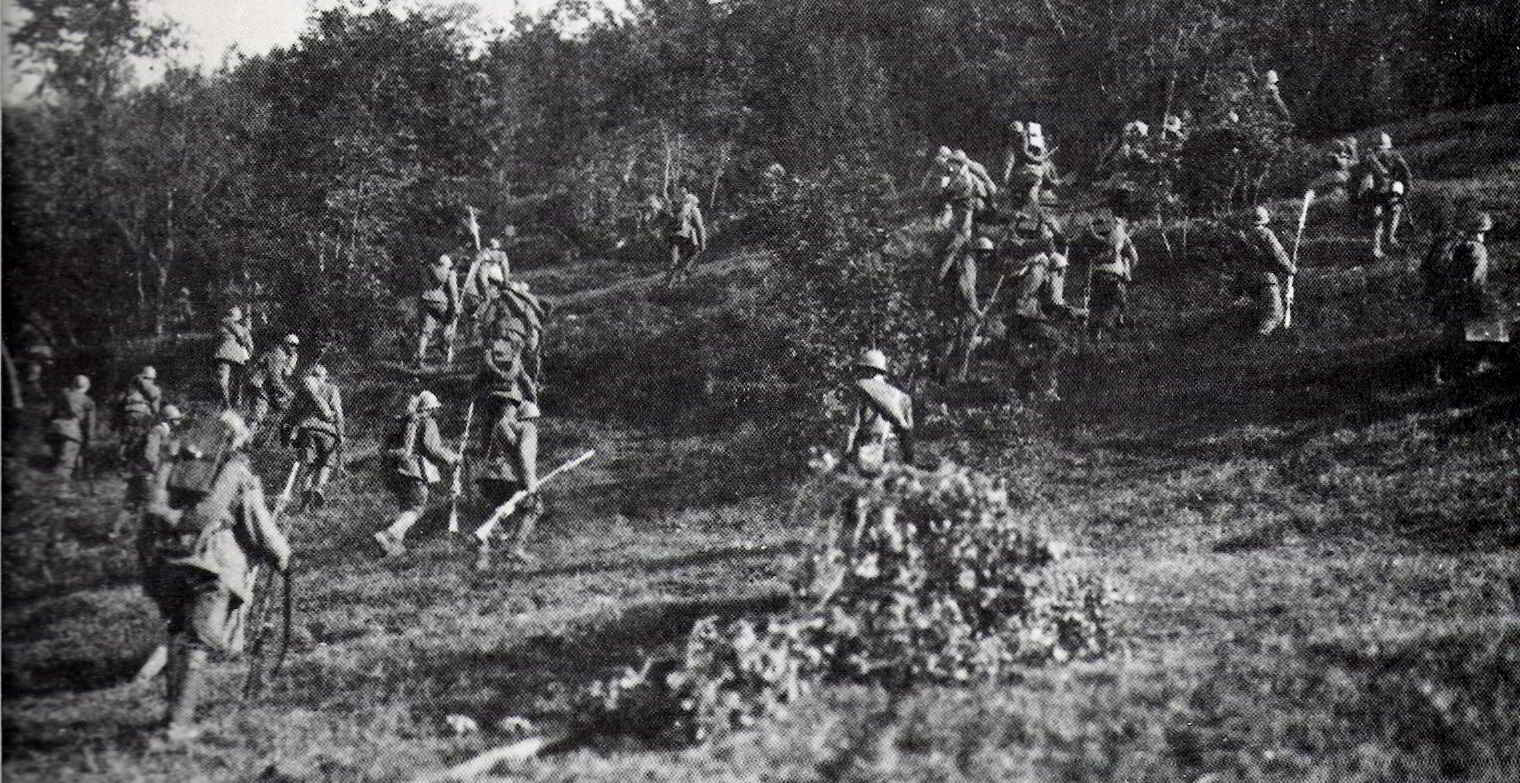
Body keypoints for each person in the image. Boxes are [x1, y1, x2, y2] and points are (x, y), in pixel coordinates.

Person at [139, 410, 291, 742]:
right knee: (196, 645)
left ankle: (171, 718)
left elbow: (152, 510)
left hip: (171, 563)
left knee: (178, 636)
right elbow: (257, 525)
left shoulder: (179, 464)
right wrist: (281, 554)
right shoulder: (236, 470)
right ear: (237, 438)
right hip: (213, 566)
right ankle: (178, 727)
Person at [373, 390, 461, 557]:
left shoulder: (407, 422)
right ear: (431, 408)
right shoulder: (428, 422)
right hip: (415, 472)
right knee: (416, 509)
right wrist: (451, 457)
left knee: (406, 508)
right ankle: (388, 535)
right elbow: (432, 448)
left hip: (398, 472)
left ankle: (393, 547)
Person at [1003, 231, 1087, 403]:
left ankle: (1026, 386)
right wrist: (1077, 312)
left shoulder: (1032, 269)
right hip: (1025, 318)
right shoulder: (1041, 273)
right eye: (1062, 271)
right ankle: (1046, 387)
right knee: (1055, 344)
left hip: (1018, 320)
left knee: (1030, 352)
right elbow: (1055, 303)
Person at [1423, 212, 1496, 384]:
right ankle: (1477, 365)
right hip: (1467, 297)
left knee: (1450, 335)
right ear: (1481, 231)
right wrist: (1480, 297)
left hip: (1448, 296)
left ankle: (1437, 372)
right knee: (1488, 329)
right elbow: (1476, 279)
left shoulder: (1456, 244)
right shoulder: (1479, 250)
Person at [473, 400, 542, 570]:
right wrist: (530, 483)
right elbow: (525, 455)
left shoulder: (506, 429)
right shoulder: (529, 429)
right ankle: (515, 549)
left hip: (504, 477)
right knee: (534, 508)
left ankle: (484, 552)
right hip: (519, 479)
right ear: (533, 418)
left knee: (501, 513)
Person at [113, 404, 185, 539]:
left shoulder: (167, 432)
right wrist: (156, 467)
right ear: (168, 419)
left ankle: (117, 533)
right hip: (147, 473)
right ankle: (132, 534)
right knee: (145, 504)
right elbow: (150, 454)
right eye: (176, 419)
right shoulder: (158, 431)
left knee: (134, 503)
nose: (179, 421)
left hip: (147, 472)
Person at [842, 349, 915, 475]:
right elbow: (908, 431)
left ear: (869, 370)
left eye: (862, 369)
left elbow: (852, 425)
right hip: (894, 453)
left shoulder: (861, 388)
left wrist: (846, 453)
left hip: (868, 452)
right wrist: (909, 460)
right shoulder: (901, 396)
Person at [937, 235, 995, 383]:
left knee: (960, 341)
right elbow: (966, 290)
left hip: (960, 308)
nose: (987, 257)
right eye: (986, 253)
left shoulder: (970, 263)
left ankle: (951, 376)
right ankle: (943, 376)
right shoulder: (968, 263)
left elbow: (970, 291)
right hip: (956, 309)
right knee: (954, 342)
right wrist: (976, 311)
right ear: (979, 251)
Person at [1233, 205, 1296, 337]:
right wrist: (1290, 269)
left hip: (1248, 282)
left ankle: (1249, 341)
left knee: (1261, 312)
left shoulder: (1244, 237)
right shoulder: (1266, 234)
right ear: (1264, 220)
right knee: (1275, 314)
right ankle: (1259, 343)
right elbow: (1278, 254)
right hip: (1266, 281)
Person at [289, 364, 344, 509]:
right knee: (326, 463)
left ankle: (306, 493)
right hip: (328, 432)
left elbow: (293, 412)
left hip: (307, 430)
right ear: (325, 376)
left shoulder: (304, 391)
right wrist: (341, 433)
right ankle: (318, 488)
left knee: (307, 464)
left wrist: (292, 432)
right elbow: (338, 413)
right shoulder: (332, 389)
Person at [1356, 133, 1414, 259]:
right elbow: (1362, 176)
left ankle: (1388, 240)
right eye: (1378, 150)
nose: (1380, 152)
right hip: (1376, 191)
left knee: (1391, 214)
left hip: (1389, 192)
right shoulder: (1370, 158)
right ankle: (1377, 248)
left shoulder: (1391, 156)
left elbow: (1406, 174)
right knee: (1379, 218)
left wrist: (1405, 192)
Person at [1087, 215, 1141, 343]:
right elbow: (1133, 256)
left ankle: (1099, 334)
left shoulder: (1096, 236)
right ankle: (1111, 328)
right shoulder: (1119, 238)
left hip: (1101, 275)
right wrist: (1127, 270)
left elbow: (1131, 256)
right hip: (1112, 276)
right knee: (1113, 302)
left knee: (1099, 305)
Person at [247, 334, 300, 442]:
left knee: (284, 410)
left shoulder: (286, 355)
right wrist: (287, 392)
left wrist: (292, 361)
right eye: (291, 345)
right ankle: (246, 441)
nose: (293, 348)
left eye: (295, 345)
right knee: (257, 415)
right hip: (261, 386)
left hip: (267, 388)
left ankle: (266, 439)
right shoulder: (278, 354)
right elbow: (275, 378)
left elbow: (286, 373)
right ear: (285, 344)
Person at [46, 374, 96, 479]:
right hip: (71, 433)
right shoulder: (87, 401)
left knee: (56, 461)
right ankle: (61, 492)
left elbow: (51, 413)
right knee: (65, 466)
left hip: (54, 430)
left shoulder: (62, 394)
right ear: (87, 387)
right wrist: (89, 440)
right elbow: (90, 424)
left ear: (73, 384)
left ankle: (50, 486)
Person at [416, 254, 461, 368]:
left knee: (425, 332)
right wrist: (456, 307)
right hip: (441, 303)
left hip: (426, 300)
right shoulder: (450, 273)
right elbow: (453, 291)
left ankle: (420, 359)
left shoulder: (429, 269)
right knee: (448, 325)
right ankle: (447, 356)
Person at [114, 365, 164, 465]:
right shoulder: (152, 388)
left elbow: (119, 401)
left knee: (126, 439)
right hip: (143, 415)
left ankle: (121, 459)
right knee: (142, 438)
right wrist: (157, 416)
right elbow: (155, 406)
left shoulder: (131, 385)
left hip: (128, 414)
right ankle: (139, 462)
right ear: (153, 378)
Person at [663, 182, 708, 286]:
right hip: (685, 236)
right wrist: (703, 242)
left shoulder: (674, 205)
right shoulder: (692, 207)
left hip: (673, 236)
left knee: (674, 260)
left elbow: (666, 221)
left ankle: (669, 284)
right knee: (694, 253)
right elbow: (699, 226)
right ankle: (681, 277)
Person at [213, 306, 254, 409]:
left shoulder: (221, 326)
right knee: (237, 380)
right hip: (237, 357)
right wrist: (248, 354)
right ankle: (235, 402)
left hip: (224, 355)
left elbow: (216, 341)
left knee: (225, 381)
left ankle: (228, 404)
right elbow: (249, 344)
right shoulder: (242, 329)